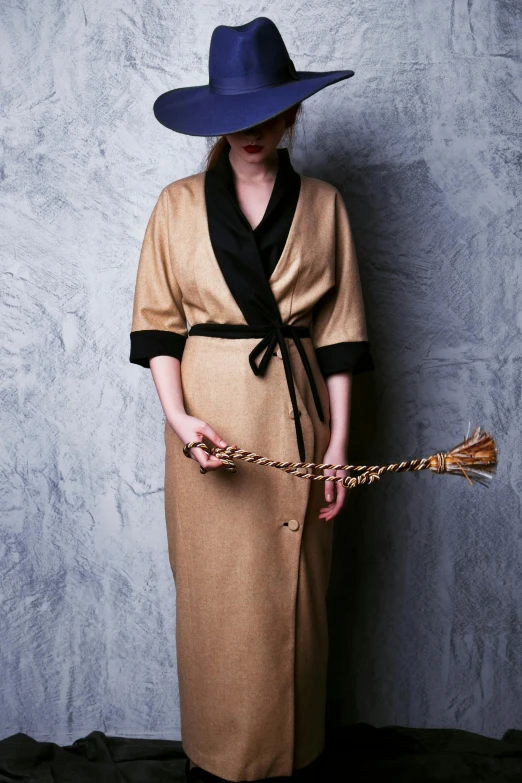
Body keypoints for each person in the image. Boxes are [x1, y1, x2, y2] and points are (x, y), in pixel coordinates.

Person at [129, 16, 375, 783]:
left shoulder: (326, 204)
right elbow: (156, 328)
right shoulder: (175, 206)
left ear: (293, 110)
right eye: (238, 115)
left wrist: (337, 446)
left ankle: (289, 756)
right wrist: (178, 419)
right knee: (214, 602)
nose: (253, 130)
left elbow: (341, 332)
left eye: (268, 112)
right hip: (206, 419)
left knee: (292, 597)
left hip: (299, 419)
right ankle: (215, 756)